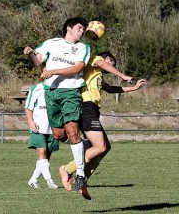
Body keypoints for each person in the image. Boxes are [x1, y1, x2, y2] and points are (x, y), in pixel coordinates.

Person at [58, 51, 147, 191]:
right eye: (112, 62)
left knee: (105, 148)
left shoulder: (96, 74)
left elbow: (110, 89)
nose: (113, 66)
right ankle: (66, 169)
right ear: (107, 58)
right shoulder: (96, 59)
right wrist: (123, 76)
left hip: (92, 109)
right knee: (100, 147)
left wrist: (134, 88)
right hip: (86, 106)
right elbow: (101, 63)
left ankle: (82, 180)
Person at [23, 17, 90, 195]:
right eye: (79, 28)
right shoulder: (52, 43)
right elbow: (37, 61)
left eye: (83, 29)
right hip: (50, 93)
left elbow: (77, 68)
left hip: (70, 92)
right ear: (68, 28)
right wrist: (30, 54)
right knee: (59, 135)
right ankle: (81, 147)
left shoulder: (83, 48)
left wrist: (53, 71)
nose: (82, 31)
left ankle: (81, 175)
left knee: (73, 131)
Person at [25, 81, 60, 189]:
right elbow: (28, 106)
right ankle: (49, 181)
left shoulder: (60, 87)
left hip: (53, 128)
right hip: (38, 127)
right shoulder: (36, 88)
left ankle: (33, 180)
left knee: (45, 158)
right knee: (42, 152)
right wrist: (30, 121)